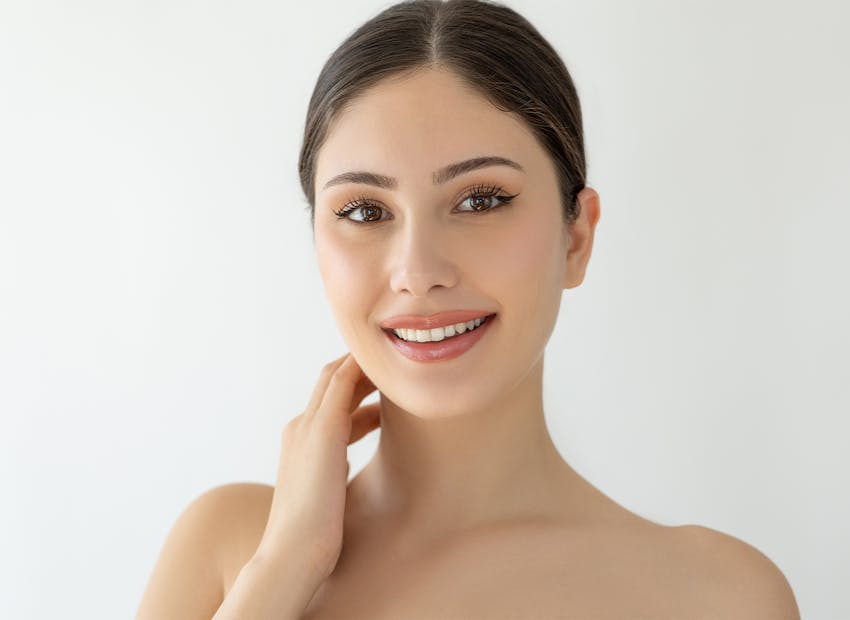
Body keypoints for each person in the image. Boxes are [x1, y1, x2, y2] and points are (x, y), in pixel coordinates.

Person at [136, 1, 801, 617]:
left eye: (480, 200)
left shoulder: (718, 596)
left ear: (577, 237)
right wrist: (286, 567)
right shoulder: (228, 549)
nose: (418, 272)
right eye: (364, 211)